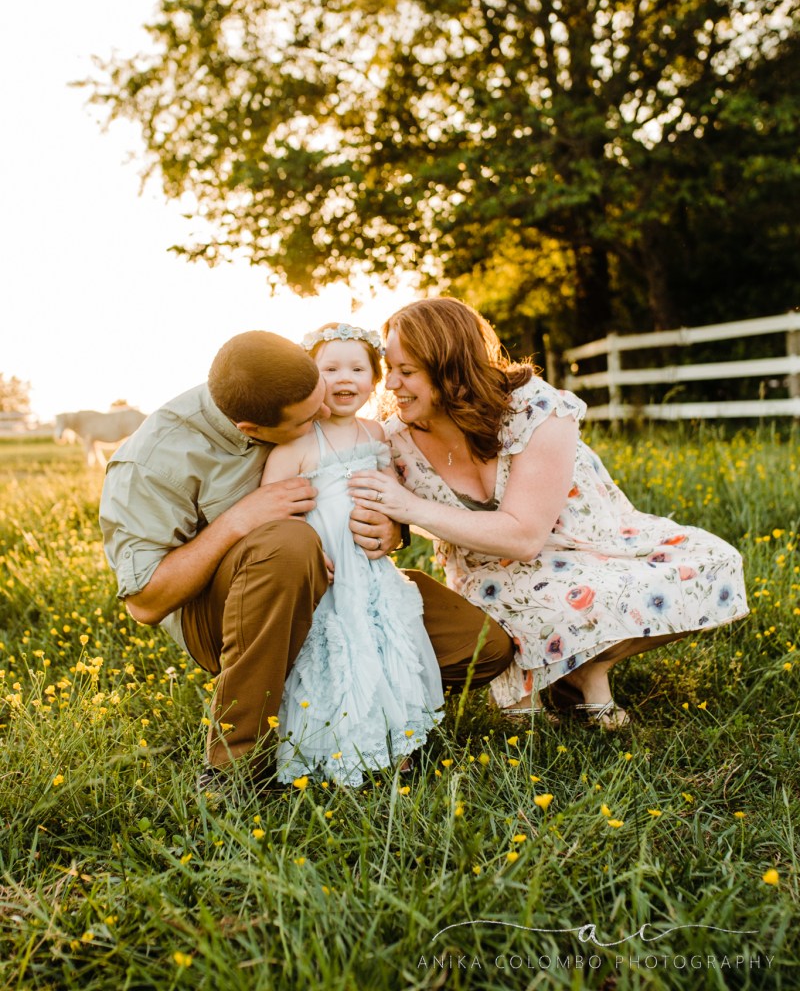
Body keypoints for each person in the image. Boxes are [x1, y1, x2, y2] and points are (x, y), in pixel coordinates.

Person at [99, 329, 512, 792]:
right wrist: (239, 521)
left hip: (349, 586)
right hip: (228, 615)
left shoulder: (287, 378)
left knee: (483, 648)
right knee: (289, 543)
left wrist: (391, 531)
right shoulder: (154, 460)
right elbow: (146, 602)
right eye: (306, 418)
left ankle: (363, 716)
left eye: (321, 395)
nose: (324, 412)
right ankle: (235, 767)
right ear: (252, 431)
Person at [349, 299, 749, 728]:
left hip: (590, 543)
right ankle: (571, 673)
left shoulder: (533, 408)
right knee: (544, 605)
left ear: (450, 367)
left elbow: (524, 537)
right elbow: (380, 515)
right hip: (490, 572)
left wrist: (408, 507)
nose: (390, 384)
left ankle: (587, 667)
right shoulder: (394, 439)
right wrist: (391, 529)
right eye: (389, 369)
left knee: (716, 565)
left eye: (406, 372)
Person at [262, 324, 443, 785]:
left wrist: (391, 524)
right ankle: (335, 747)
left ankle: (392, 740)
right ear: (311, 379)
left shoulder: (378, 433)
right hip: (326, 566)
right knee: (333, 652)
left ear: (375, 377)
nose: (346, 378)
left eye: (358, 368)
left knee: (382, 647)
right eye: (331, 368)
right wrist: (302, 546)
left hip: (369, 564)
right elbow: (272, 508)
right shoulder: (298, 441)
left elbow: (397, 497)